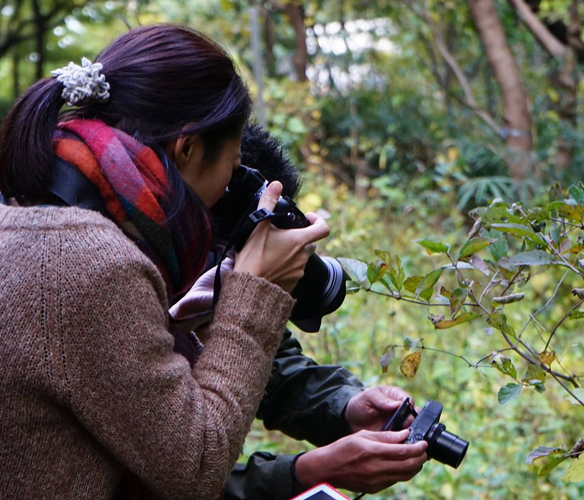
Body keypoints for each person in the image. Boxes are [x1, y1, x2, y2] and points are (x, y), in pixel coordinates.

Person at [0, 24, 329, 500]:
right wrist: (256, 290)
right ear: (187, 148)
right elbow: (196, 467)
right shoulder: (93, 266)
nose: (231, 186)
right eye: (232, 166)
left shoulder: (17, 207)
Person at [170, 125, 429, 500]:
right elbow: (177, 476)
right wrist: (307, 472)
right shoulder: (122, 281)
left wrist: (345, 407)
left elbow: (270, 366)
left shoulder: (198, 273)